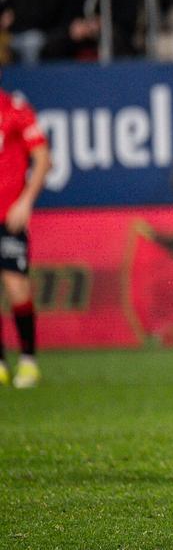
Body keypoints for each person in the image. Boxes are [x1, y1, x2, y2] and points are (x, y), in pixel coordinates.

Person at [0, 74, 51, 388]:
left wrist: (26, 201)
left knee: (16, 284)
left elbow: (43, 159)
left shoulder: (15, 109)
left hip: (9, 215)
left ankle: (29, 361)